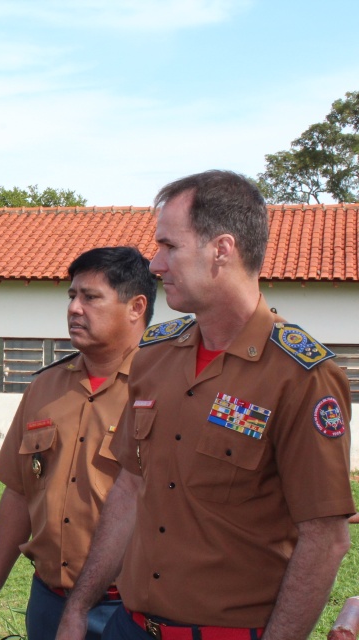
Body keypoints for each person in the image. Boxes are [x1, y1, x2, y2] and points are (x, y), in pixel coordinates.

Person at [57, 171, 354, 640]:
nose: (155, 264)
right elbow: (131, 488)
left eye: (169, 246)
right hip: (127, 627)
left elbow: (326, 538)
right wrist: (78, 606)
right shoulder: (154, 357)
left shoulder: (300, 376)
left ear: (222, 249)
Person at [0, 247, 157, 640]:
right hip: (49, 602)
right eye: (72, 296)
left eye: (90, 297)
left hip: (133, 608)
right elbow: (18, 495)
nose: (74, 308)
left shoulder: (164, 388)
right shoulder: (44, 388)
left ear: (136, 307)